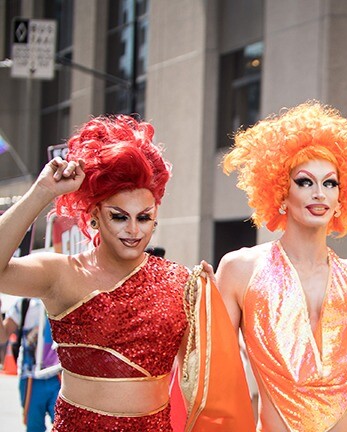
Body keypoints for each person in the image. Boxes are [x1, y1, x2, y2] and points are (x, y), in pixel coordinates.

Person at [0, 115, 253, 431]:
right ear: (94, 215)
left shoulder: (183, 284)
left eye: (143, 218)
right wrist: (43, 191)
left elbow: (208, 386)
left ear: (155, 217)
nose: (133, 230)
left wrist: (209, 311)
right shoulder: (61, 274)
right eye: (119, 217)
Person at [218, 101, 347, 431]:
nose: (319, 194)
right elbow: (214, 371)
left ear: (342, 199)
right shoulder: (240, 269)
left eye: (330, 183)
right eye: (304, 182)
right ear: (280, 193)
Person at [0, 298, 60, 432]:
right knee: (34, 427)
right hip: (31, 378)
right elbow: (3, 336)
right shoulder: (25, 304)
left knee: (64, 424)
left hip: (59, 376)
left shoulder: (62, 299)